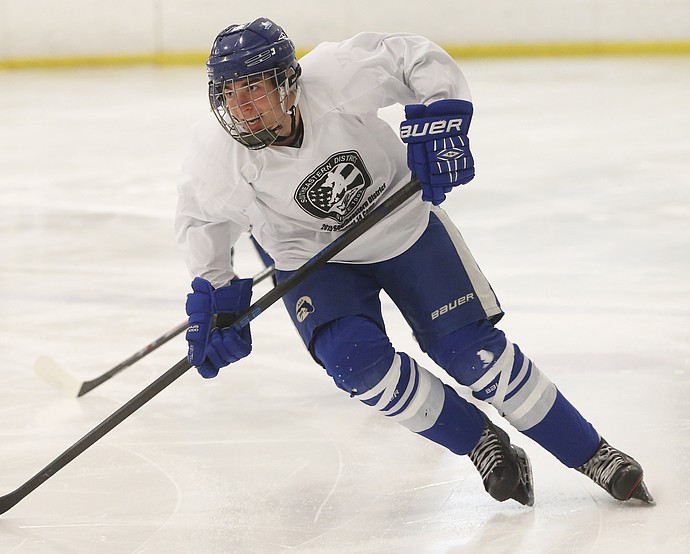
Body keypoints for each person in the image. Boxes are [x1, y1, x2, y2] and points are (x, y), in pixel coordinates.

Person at [174, 17, 653, 506]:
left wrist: (440, 115)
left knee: (472, 353)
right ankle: (479, 441)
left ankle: (592, 452)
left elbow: (413, 57)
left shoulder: (337, 75)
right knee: (355, 363)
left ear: (288, 83)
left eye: (254, 89)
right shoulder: (216, 156)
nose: (243, 107)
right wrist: (219, 294)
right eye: (230, 94)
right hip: (314, 260)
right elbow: (202, 221)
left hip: (404, 227)